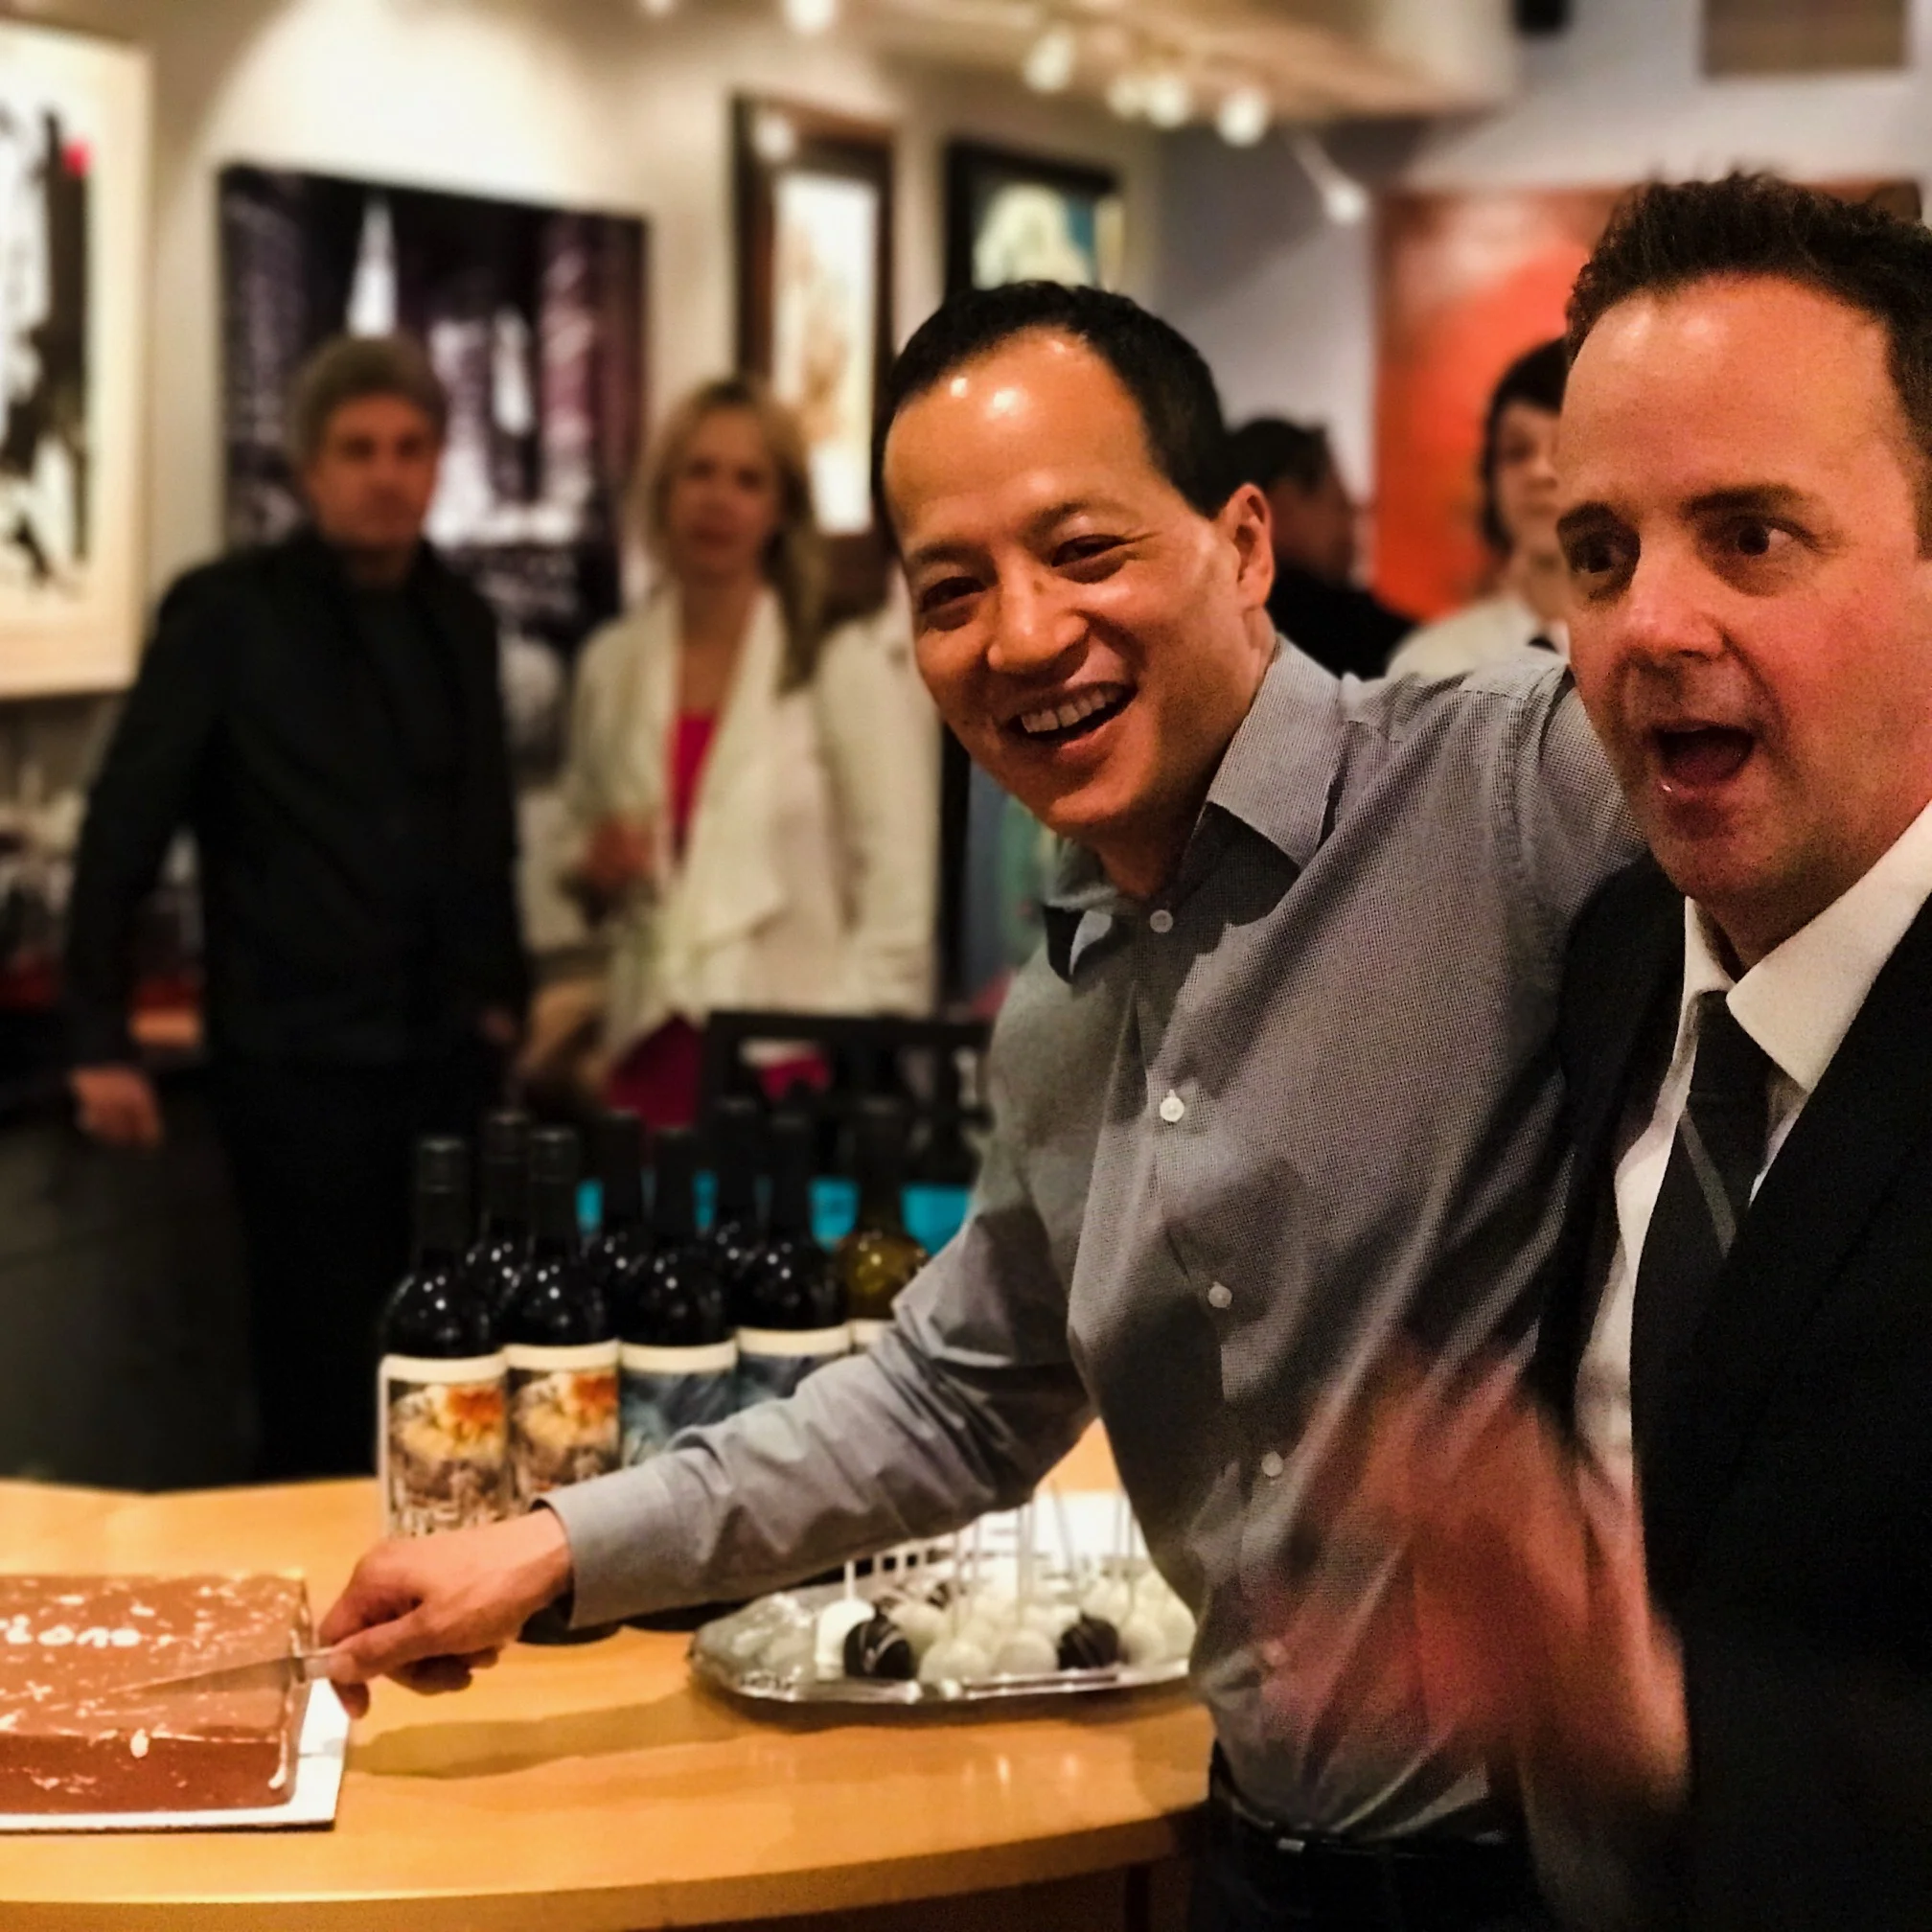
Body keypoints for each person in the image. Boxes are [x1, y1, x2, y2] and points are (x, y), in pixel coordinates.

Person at [319, 284, 1640, 1931]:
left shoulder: (1507, 786)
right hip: (1253, 1859)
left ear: (1242, 545)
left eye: (1083, 552)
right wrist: (550, 1547)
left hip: (1558, 1882)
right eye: (952, 590)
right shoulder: (1065, 1010)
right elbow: (952, 1398)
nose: (1020, 635)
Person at [1290, 176, 1932, 1932]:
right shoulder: (1613, 968)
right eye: (1599, 553)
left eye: (1752, 537)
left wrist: (1671, 1730)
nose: (1648, 624)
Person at [64, 334, 528, 1482]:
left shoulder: (461, 618)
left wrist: (502, 999)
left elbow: (483, 828)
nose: (386, 474)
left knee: (458, 1373)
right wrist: (98, 1033)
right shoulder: (224, 616)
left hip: (444, 1060)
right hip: (292, 1064)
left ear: (438, 462)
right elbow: (125, 824)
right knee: (313, 1369)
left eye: (409, 448)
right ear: (310, 469)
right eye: (358, 450)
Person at [558, 374, 934, 1127]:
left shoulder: (837, 659)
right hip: (647, 1055)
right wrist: (593, 868)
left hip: (793, 1067)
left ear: (781, 509)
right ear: (663, 491)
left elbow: (900, 895)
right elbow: (574, 848)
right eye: (698, 472)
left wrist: (833, 1048)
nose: (718, 500)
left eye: (747, 480)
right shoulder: (613, 664)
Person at [1389, 341, 1569, 680]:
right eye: (1517, 452)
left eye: (1565, 448)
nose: (1539, 471)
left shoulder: (1649, 649)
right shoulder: (1434, 664)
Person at [1226, 416, 1414, 679]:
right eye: (1340, 506)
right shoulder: (1343, 628)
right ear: (1283, 506)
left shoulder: (1216, 627)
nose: (1353, 523)